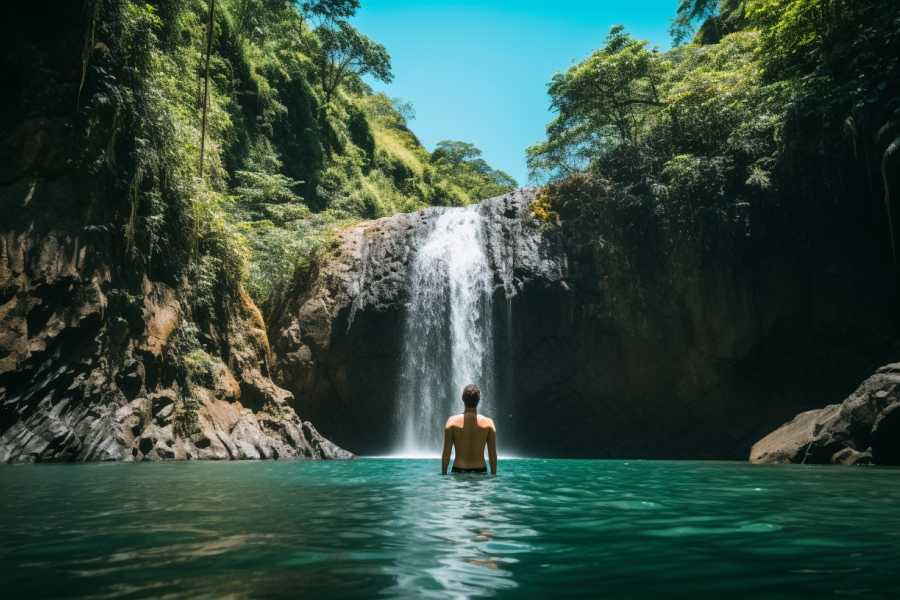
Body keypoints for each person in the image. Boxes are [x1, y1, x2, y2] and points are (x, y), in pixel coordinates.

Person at [441, 384, 497, 475]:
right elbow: (493, 455)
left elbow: (446, 453)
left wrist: (444, 473)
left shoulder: (451, 422)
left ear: (462, 398)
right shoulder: (489, 423)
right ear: (479, 400)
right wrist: (494, 475)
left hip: (458, 471)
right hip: (481, 472)